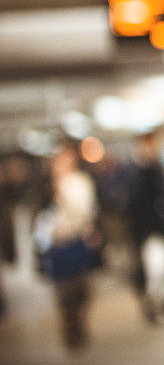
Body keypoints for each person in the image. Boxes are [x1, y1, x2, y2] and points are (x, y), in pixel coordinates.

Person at [35, 144, 99, 350]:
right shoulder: (47, 187)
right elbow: (40, 217)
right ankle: (70, 327)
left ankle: (78, 320)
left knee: (82, 288)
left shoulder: (80, 183)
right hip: (57, 243)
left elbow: (87, 211)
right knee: (63, 291)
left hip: (77, 240)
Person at [129, 133, 164, 323]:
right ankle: (150, 304)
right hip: (143, 229)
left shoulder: (159, 168)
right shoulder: (133, 171)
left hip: (162, 226)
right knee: (148, 269)